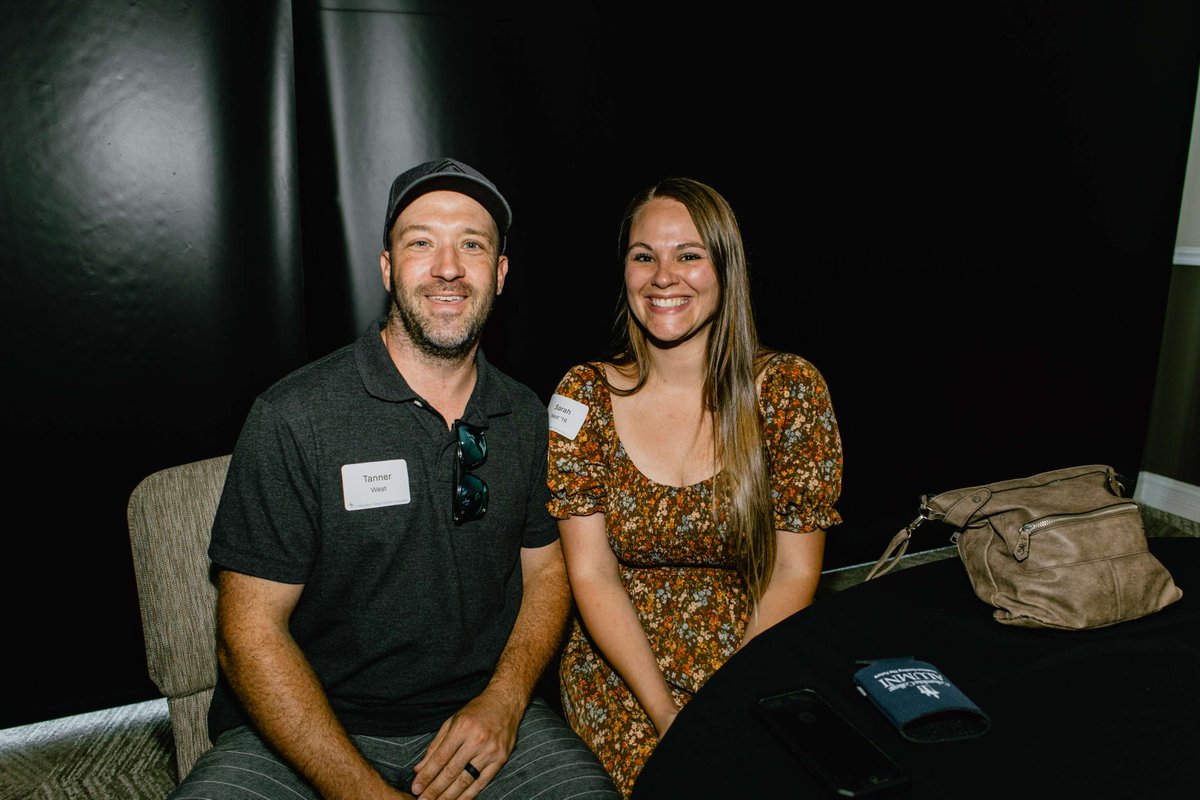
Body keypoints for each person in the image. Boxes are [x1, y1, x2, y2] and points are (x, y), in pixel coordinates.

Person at [171, 158, 618, 800]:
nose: (447, 267)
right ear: (387, 267)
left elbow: (547, 573)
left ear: (501, 273)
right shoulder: (295, 416)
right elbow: (248, 635)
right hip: (301, 730)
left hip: (474, 724)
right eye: (420, 243)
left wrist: (507, 699)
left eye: (472, 244)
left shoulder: (523, 415)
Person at [546, 177, 844, 796]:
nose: (663, 276)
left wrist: (726, 699)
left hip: (749, 653)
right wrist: (665, 712)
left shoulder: (789, 391)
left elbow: (794, 573)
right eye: (643, 255)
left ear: (725, 268)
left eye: (688, 254)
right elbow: (592, 573)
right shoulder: (584, 395)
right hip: (622, 672)